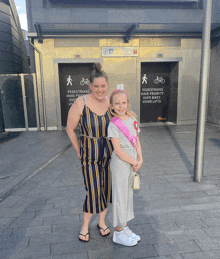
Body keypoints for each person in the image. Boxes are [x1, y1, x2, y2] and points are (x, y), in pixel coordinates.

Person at [66, 63, 112, 242]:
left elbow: (122, 118)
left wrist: (130, 113)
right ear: (90, 86)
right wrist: (78, 150)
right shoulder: (81, 103)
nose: (100, 90)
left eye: (103, 86)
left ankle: (101, 222)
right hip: (89, 155)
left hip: (109, 155)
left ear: (107, 85)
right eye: (96, 86)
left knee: (106, 189)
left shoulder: (111, 102)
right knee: (93, 190)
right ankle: (85, 226)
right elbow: (70, 129)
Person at [108, 89, 143, 246]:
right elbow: (118, 150)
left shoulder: (132, 119)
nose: (121, 106)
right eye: (117, 103)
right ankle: (118, 232)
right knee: (120, 197)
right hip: (121, 164)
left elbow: (136, 141)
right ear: (112, 106)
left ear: (127, 103)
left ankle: (125, 226)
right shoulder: (113, 124)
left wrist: (140, 159)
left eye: (123, 102)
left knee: (128, 195)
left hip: (132, 162)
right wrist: (133, 161)